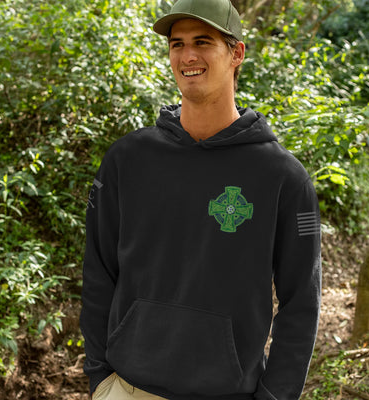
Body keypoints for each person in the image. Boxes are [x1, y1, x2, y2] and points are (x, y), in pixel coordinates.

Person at [80, 0, 322, 399]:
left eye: (203, 41)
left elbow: (301, 304)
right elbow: (98, 273)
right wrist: (98, 377)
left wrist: (275, 395)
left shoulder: (283, 178)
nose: (187, 56)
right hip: (125, 388)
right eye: (177, 44)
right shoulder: (127, 160)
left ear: (236, 53)